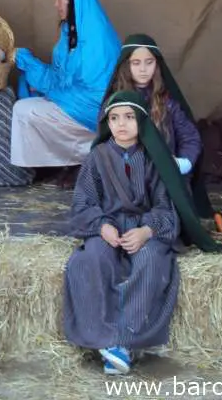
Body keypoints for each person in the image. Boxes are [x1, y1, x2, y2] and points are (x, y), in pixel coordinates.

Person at [63, 90, 185, 375]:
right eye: (115, 118)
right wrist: (101, 226)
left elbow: (167, 206)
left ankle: (126, 339)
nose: (121, 124)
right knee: (91, 259)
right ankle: (103, 337)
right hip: (108, 228)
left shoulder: (155, 158)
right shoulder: (97, 158)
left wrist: (147, 231)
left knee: (152, 260)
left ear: (141, 121)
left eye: (129, 117)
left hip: (144, 228)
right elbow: (83, 204)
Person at [10, 0, 121, 187]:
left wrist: (50, 91)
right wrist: (30, 66)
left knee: (25, 111)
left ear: (76, 0)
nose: (56, 4)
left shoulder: (98, 39)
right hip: (73, 102)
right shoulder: (69, 31)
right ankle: (57, 165)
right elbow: (59, 75)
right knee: (26, 99)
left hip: (93, 112)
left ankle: (85, 159)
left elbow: (95, 93)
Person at [101, 34, 216, 220]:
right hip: (126, 180)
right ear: (126, 66)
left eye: (149, 62)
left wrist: (182, 163)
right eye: (136, 63)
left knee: (165, 214)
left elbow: (190, 137)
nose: (143, 69)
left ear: (157, 65)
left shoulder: (167, 101)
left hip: (164, 179)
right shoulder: (115, 104)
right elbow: (105, 144)